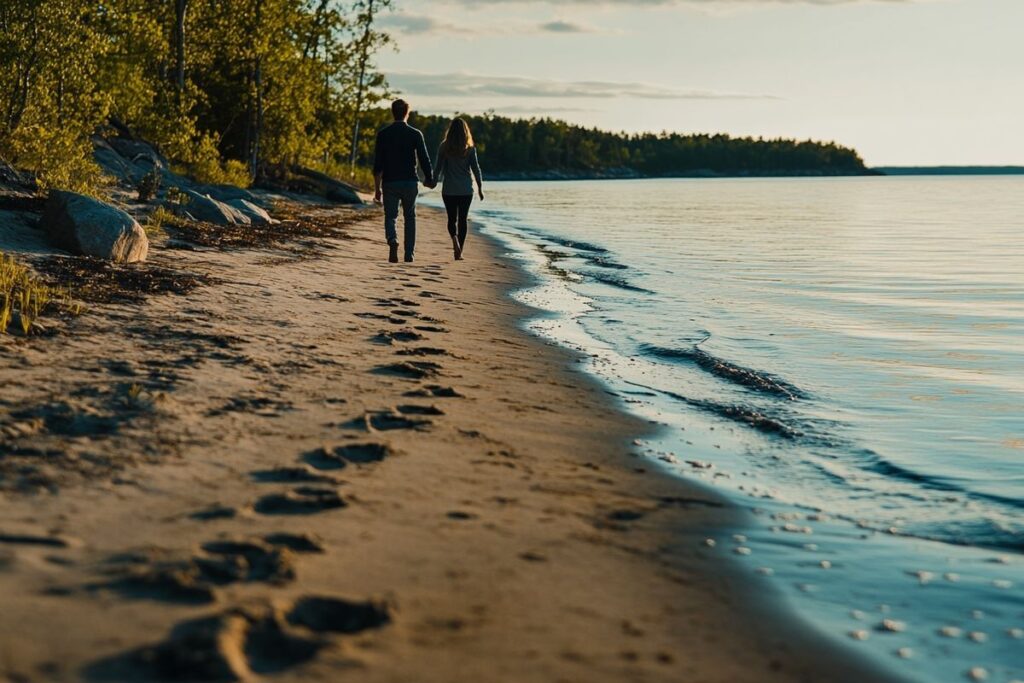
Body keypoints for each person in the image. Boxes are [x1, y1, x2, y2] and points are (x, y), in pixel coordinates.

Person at [373, 99, 434, 263]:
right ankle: (409, 254)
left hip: (390, 182)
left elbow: (378, 164)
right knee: (410, 217)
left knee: (390, 216)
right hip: (409, 182)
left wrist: (377, 189)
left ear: (393, 112)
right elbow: (424, 159)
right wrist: (429, 178)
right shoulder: (415, 134)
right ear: (407, 113)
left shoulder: (383, 134)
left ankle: (392, 240)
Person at [433, 117, 484, 260]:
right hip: (466, 190)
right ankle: (459, 251)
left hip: (449, 189)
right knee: (463, 220)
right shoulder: (470, 149)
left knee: (451, 219)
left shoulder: (444, 146)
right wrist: (480, 188)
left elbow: (437, 168)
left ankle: (454, 239)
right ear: (465, 131)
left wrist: (432, 182)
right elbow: (476, 170)